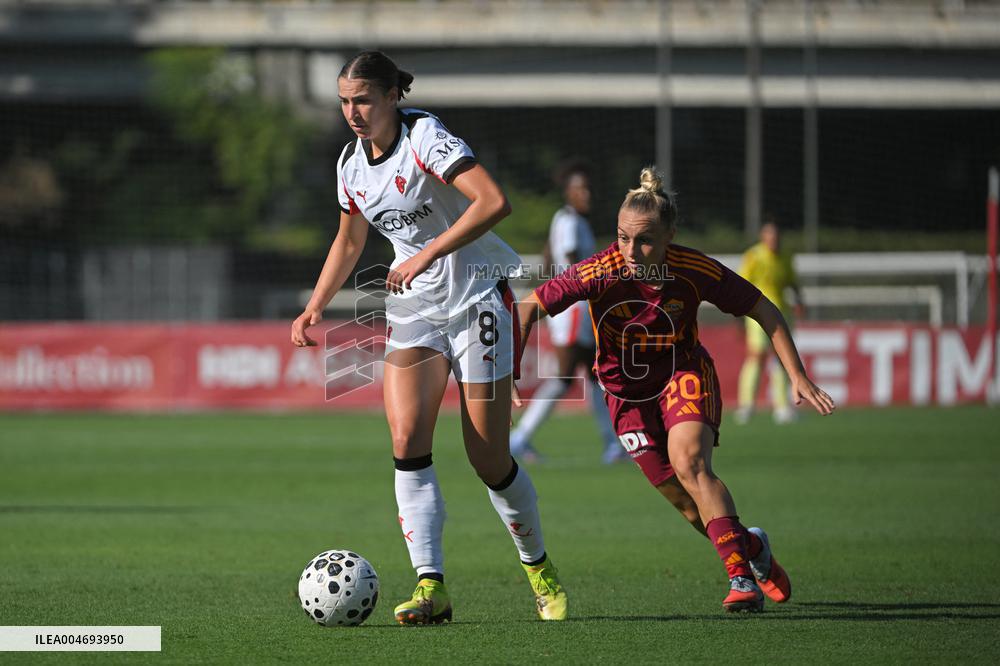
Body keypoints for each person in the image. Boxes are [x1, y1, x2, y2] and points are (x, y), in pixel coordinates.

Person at [290, 51, 566, 624]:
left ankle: (538, 566)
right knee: (406, 435)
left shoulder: (426, 137)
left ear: (393, 96)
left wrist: (426, 255)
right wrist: (314, 307)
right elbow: (348, 243)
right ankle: (430, 586)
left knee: (487, 458)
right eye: (344, 100)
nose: (352, 112)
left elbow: (493, 202)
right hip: (415, 309)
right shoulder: (349, 162)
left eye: (363, 99)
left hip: (476, 299)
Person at [514, 167, 835, 612]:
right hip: (624, 396)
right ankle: (753, 548)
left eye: (643, 239)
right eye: (622, 237)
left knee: (691, 464)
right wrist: (510, 368)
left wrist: (797, 374)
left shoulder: (693, 269)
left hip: (682, 374)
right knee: (688, 506)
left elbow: (764, 308)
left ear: (670, 236)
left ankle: (741, 579)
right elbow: (529, 305)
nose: (630, 250)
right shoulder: (599, 271)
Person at [510, 160, 623, 464]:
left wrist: (552, 286)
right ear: (569, 192)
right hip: (575, 307)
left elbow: (549, 258)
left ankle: (613, 444)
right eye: (580, 188)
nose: (587, 194)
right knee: (564, 375)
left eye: (588, 188)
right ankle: (518, 439)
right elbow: (574, 261)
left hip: (573, 306)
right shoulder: (571, 222)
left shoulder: (564, 220)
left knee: (594, 375)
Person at [735, 218, 806, 424]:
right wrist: (739, 316)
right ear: (763, 237)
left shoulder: (785, 256)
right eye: (770, 235)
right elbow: (740, 284)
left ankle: (782, 407)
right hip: (757, 314)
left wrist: (800, 300)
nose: (774, 239)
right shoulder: (754, 256)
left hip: (782, 313)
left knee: (783, 358)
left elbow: (792, 282)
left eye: (776, 236)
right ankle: (747, 405)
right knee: (757, 356)